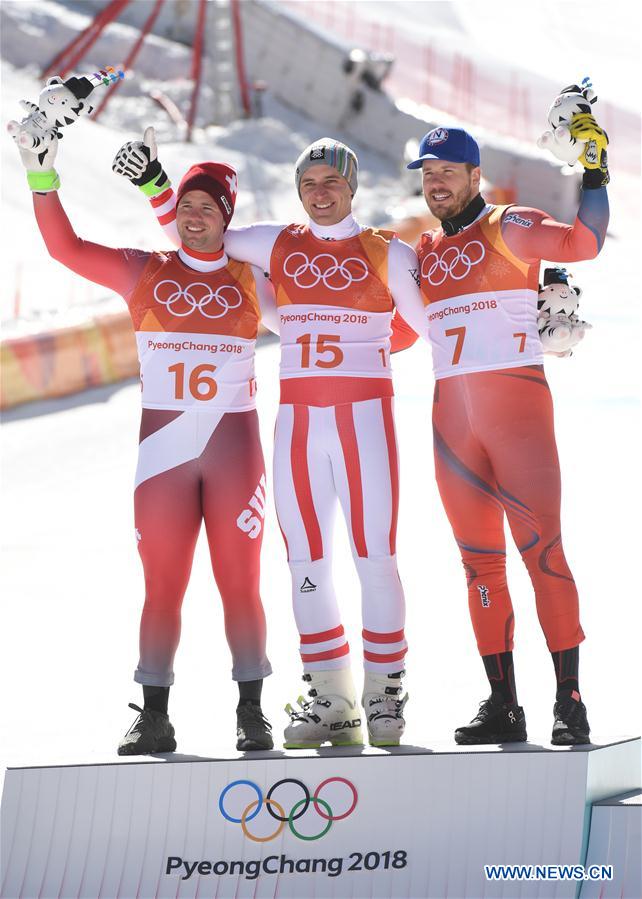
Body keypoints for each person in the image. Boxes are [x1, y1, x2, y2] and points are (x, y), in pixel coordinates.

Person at [114, 131, 431, 748]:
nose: (319, 193)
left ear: (353, 186)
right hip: (298, 426)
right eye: (308, 183)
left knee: (374, 559)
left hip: (366, 421)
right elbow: (197, 235)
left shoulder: (385, 252)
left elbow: (435, 328)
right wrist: (158, 185)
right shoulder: (274, 243)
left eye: (331, 182)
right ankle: (331, 701)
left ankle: (385, 694)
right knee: (306, 563)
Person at [14, 120, 280, 755]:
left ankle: (252, 713)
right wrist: (39, 170)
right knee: (162, 585)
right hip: (162, 457)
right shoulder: (143, 271)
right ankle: (153, 714)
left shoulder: (252, 280)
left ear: (227, 217)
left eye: (207, 208)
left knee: (238, 582)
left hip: (232, 450)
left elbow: (327, 317)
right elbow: (65, 249)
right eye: (184, 206)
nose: (194, 218)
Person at [392, 121, 609, 745]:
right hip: (452, 429)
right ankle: (502, 704)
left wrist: (594, 170)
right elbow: (402, 335)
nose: (436, 185)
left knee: (544, 554)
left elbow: (585, 242)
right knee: (478, 567)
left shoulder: (510, 226)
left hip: (518, 419)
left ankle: (569, 701)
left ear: (473, 176)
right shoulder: (424, 253)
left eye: (446, 173)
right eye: (428, 175)